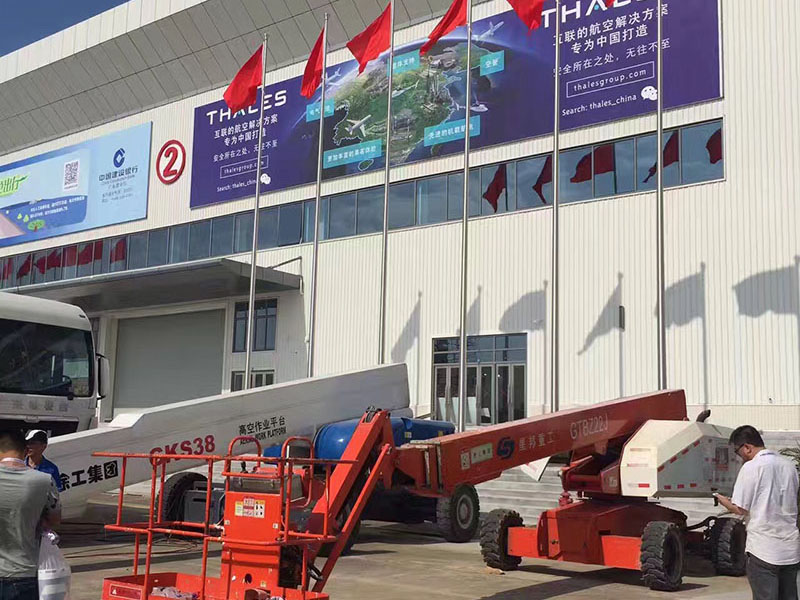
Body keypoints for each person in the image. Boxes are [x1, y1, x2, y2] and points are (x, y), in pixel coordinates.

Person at [714, 425, 800, 600]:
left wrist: (723, 500)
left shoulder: (752, 467)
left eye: (737, 452)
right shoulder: (789, 466)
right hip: (790, 550)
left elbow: (740, 508)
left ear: (747, 447)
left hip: (764, 550)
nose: (739, 457)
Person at [0, 428, 61, 600]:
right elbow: (55, 518)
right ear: (25, 450)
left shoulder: (49, 471)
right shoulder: (44, 481)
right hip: (23, 573)